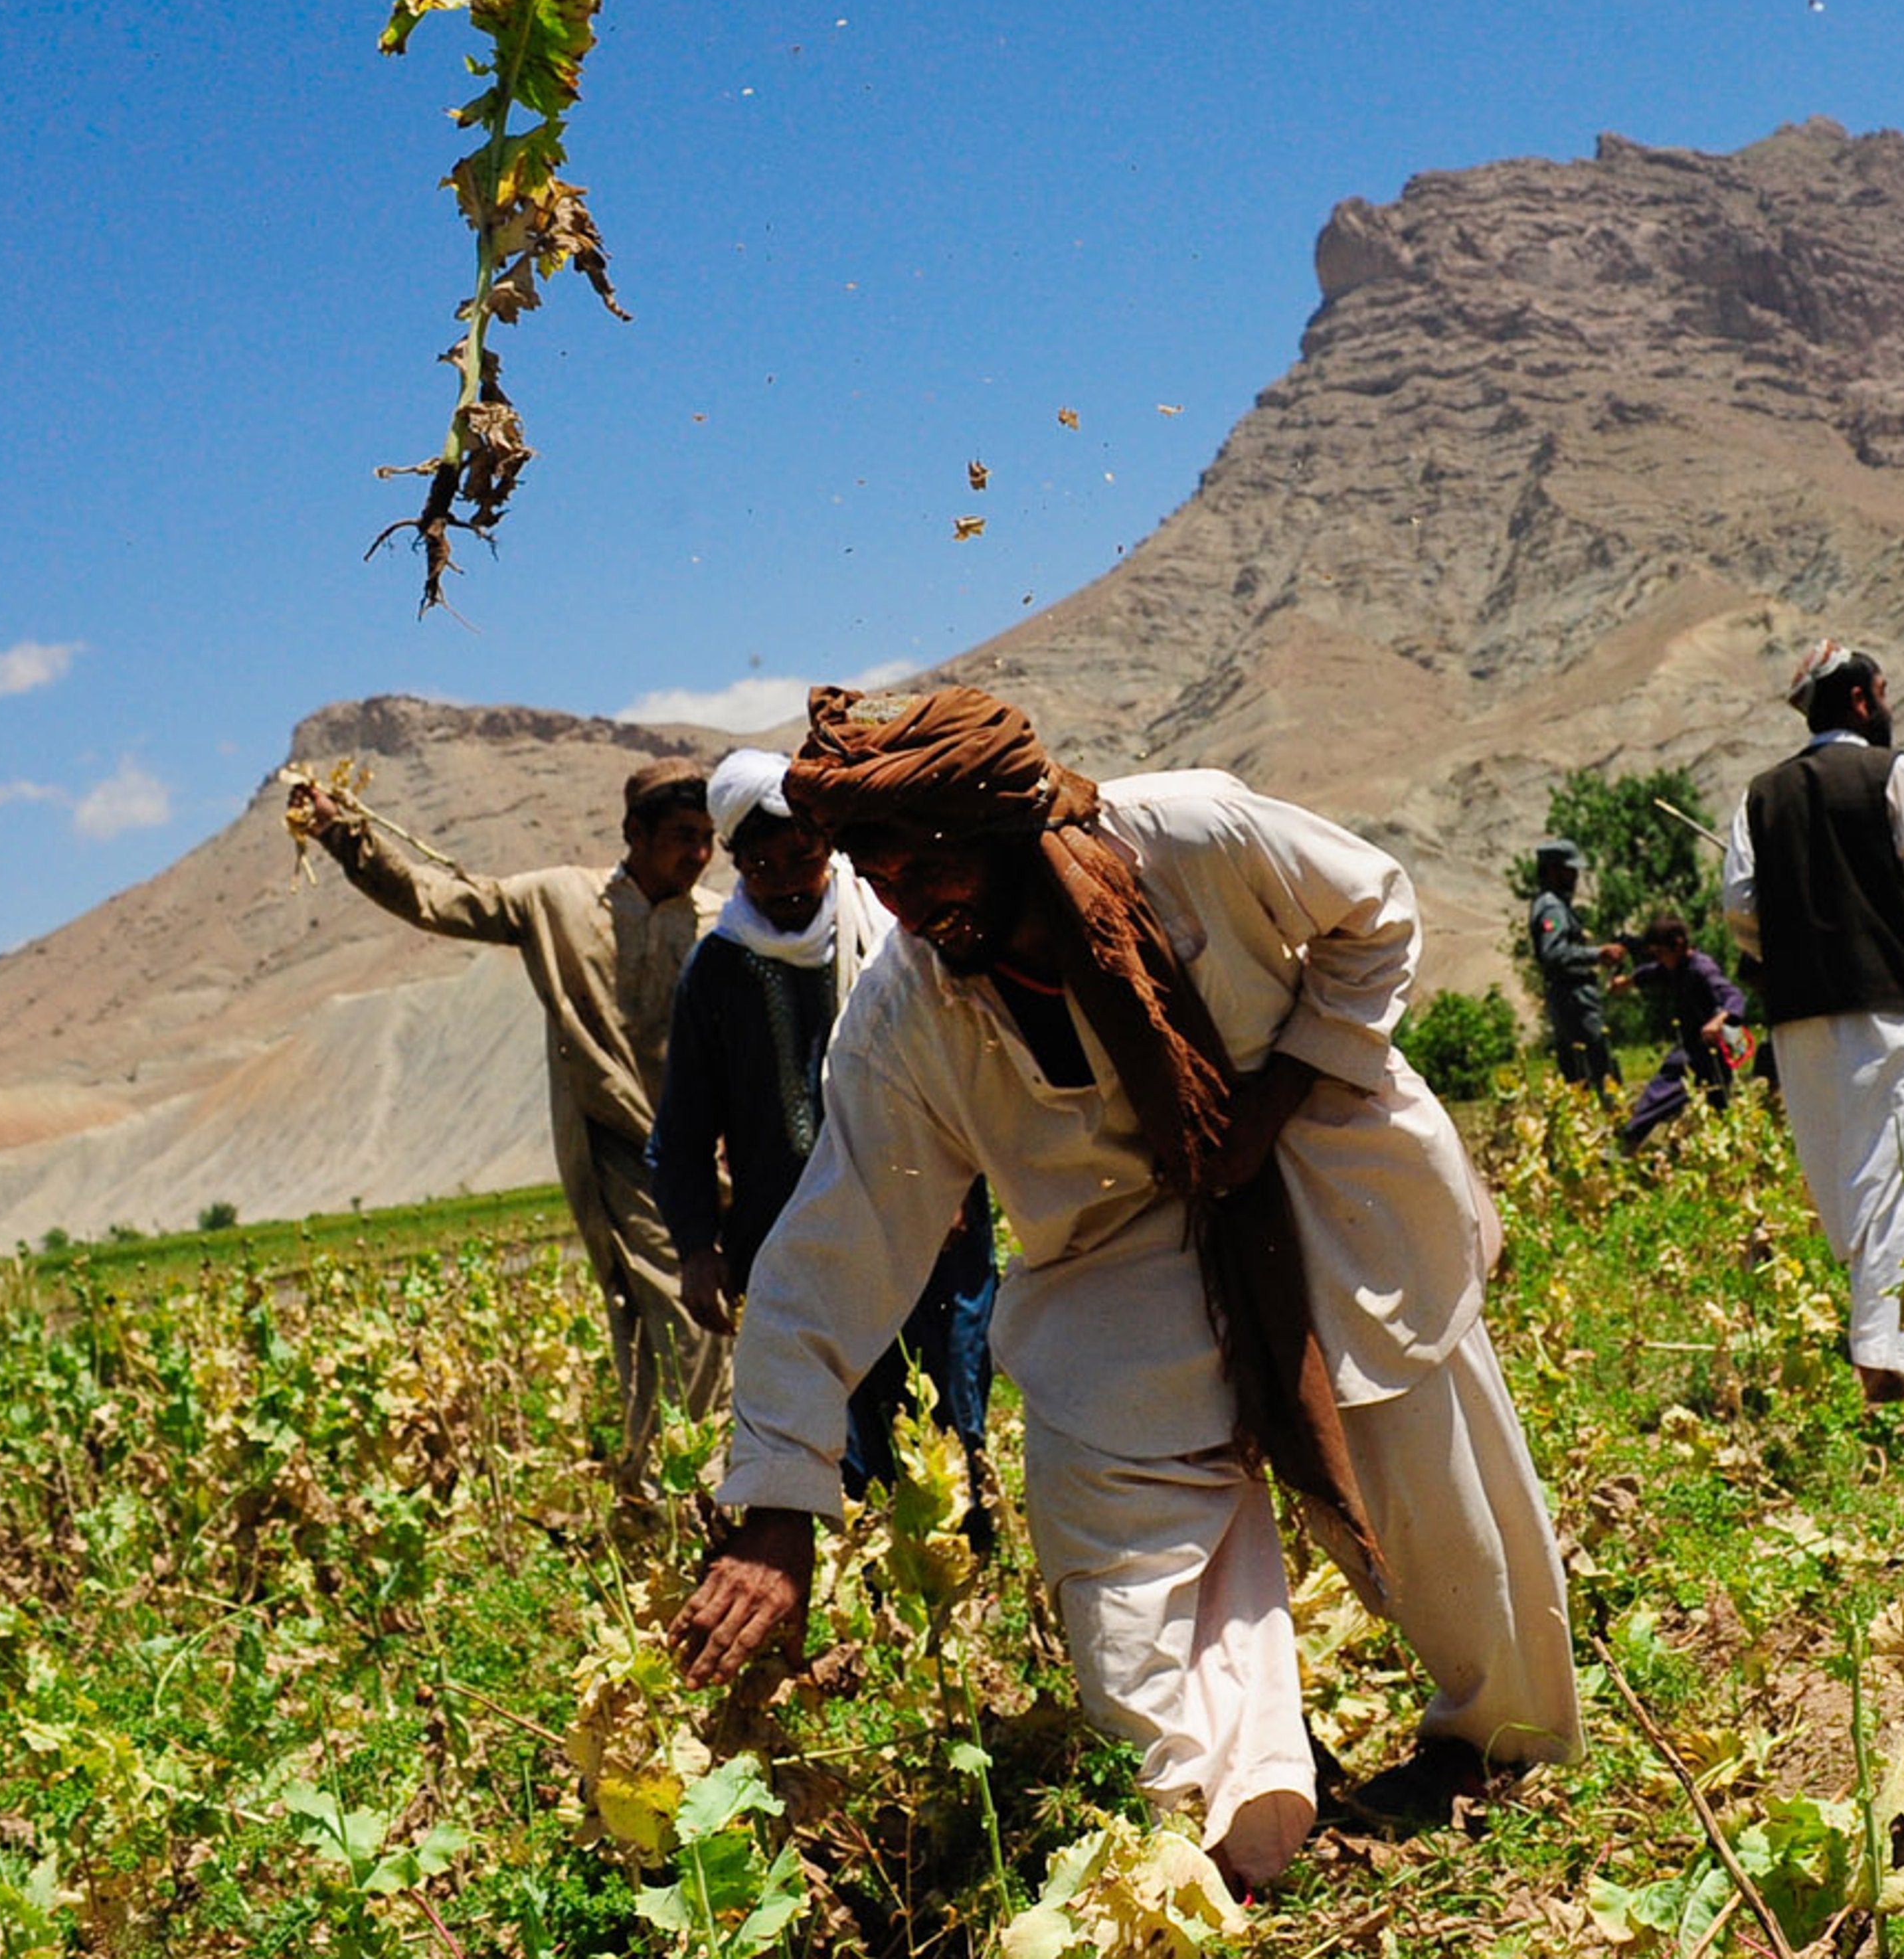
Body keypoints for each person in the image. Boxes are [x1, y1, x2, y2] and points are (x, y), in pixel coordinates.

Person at [671, 688, 1581, 1891]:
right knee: (1115, 1546)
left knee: (1434, 1509)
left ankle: (1494, 1746)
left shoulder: (1192, 836)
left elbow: (1375, 912)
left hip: (1316, 1165)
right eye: (878, 878)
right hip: (1110, 1249)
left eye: (928, 868)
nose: (904, 906)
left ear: (1001, 832)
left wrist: (1274, 1097)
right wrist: (781, 1496)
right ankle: (1226, 1812)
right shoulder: (905, 1012)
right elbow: (839, 1239)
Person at [289, 758, 725, 1492]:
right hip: (622, 1148)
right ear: (633, 834)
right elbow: (433, 898)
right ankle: (695, 1485)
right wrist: (345, 835)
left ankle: (668, 1478)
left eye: (709, 838)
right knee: (678, 1306)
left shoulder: (718, 924)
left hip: (715, 1153)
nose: (699, 855)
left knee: (709, 1310)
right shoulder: (555, 900)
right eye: (683, 837)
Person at [651, 750, 999, 1540]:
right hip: (793, 1236)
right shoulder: (717, 969)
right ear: (736, 864)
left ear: (826, 845)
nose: (785, 879)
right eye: (762, 863)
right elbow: (681, 1127)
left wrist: (944, 1182)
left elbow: (962, 1064)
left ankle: (969, 1594)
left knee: (944, 1412)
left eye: (801, 856)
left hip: (927, 1221)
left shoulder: (895, 934)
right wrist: (698, 1246)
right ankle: (871, 1604)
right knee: (832, 1423)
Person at [1721, 643, 1904, 1405]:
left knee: (1851, 1178)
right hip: (1888, 1007)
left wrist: (1793, 946)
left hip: (1799, 1025)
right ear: (1856, 701)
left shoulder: (1757, 796)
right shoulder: (1895, 775)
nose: (1886, 707)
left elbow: (1739, 910)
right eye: (1881, 693)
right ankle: (1885, 1357)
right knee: (1894, 1174)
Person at [1613, 913, 1747, 1152]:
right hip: (1695, 1043)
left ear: (1678, 946)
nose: (1659, 960)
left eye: (1660, 953)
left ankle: (1631, 1139)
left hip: (1713, 1045)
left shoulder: (1702, 969)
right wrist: (1629, 981)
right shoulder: (1674, 966)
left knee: (1676, 1085)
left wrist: (1719, 1020)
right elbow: (1652, 973)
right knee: (1703, 1096)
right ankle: (1632, 1137)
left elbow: (1734, 996)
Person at [1526, 840, 1622, 1094]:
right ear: (1554, 871)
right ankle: (1615, 1121)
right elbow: (1554, 953)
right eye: (1570, 870)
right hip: (1574, 997)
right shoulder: (1552, 907)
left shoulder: (1553, 904)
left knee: (1581, 1068)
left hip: (1569, 996)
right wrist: (1597, 954)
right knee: (1596, 1062)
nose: (1576, 876)